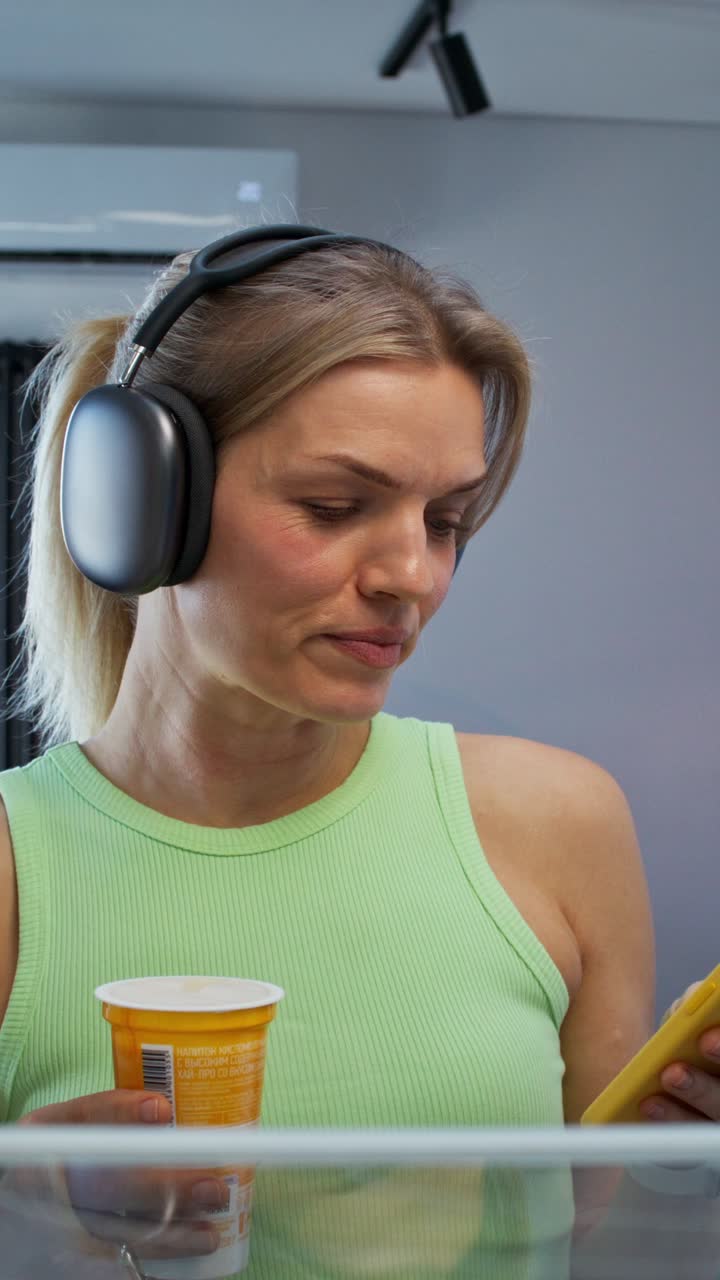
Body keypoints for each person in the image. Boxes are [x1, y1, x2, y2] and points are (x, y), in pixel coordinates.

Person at [0, 228, 717, 1277]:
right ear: (144, 501)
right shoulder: (15, 869)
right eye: (335, 506)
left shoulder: (561, 824)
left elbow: (578, 1237)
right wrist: (32, 1207)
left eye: (447, 518)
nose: (411, 574)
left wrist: (690, 1157)